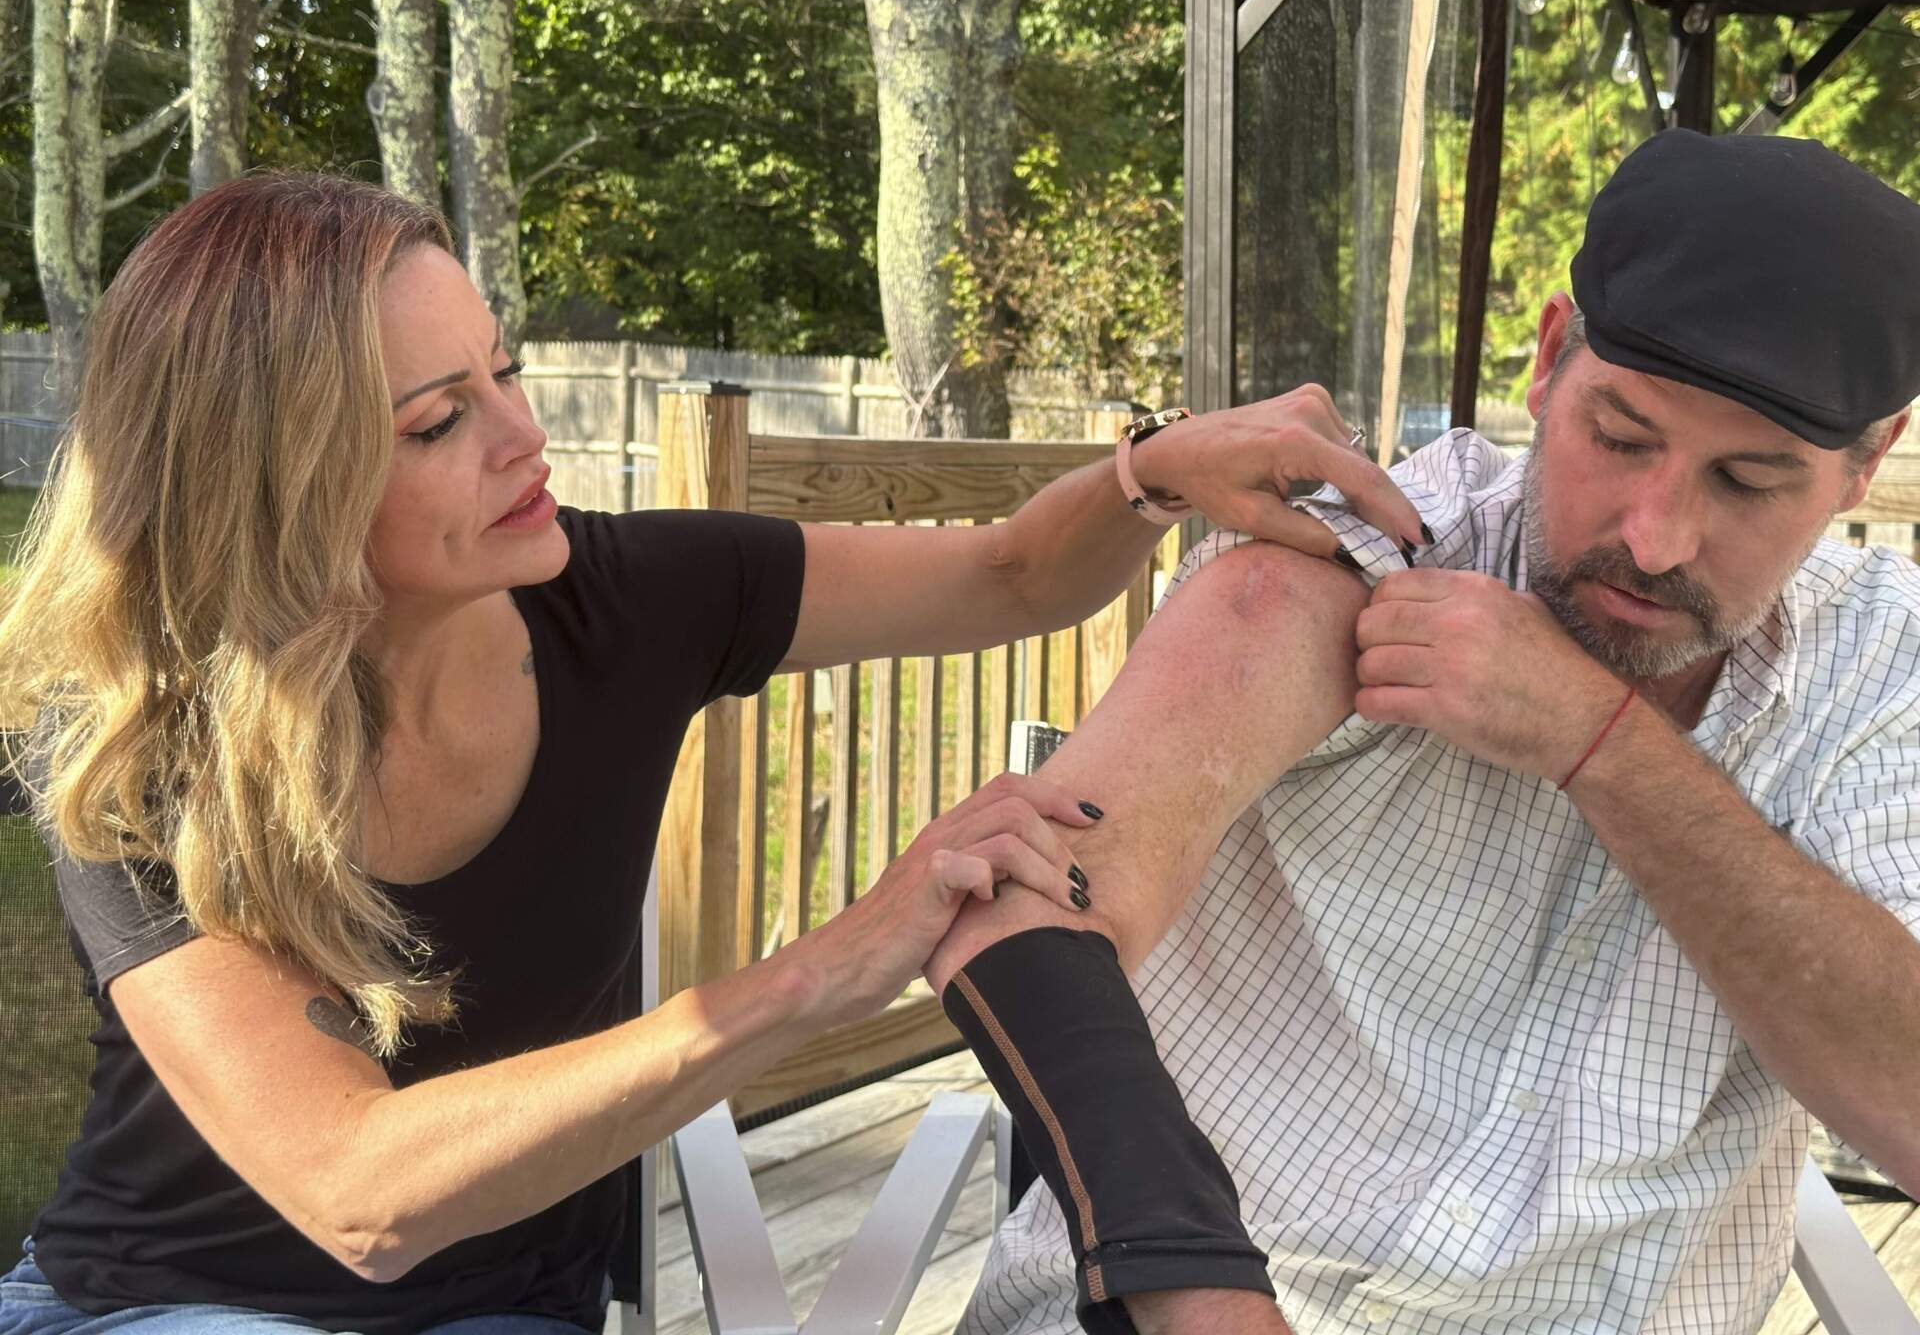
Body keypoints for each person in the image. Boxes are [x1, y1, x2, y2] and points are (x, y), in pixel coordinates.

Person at [0, 173, 1430, 1335]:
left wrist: (1152, 472)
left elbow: (1004, 578)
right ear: (277, 483)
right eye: (440, 421)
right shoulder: (136, 737)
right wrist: (831, 966)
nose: (527, 435)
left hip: (508, 1310)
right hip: (160, 1305)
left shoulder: (624, 603)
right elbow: (357, 1193)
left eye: (503, 372)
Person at [926, 129, 1920, 1335]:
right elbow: (1047, 902)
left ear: (1869, 463)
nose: (1654, 537)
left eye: (1748, 484)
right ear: (1551, 360)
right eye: (1620, 437)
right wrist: (1196, 1283)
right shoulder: (1374, 546)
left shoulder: (1886, 667)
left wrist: (1599, 742)